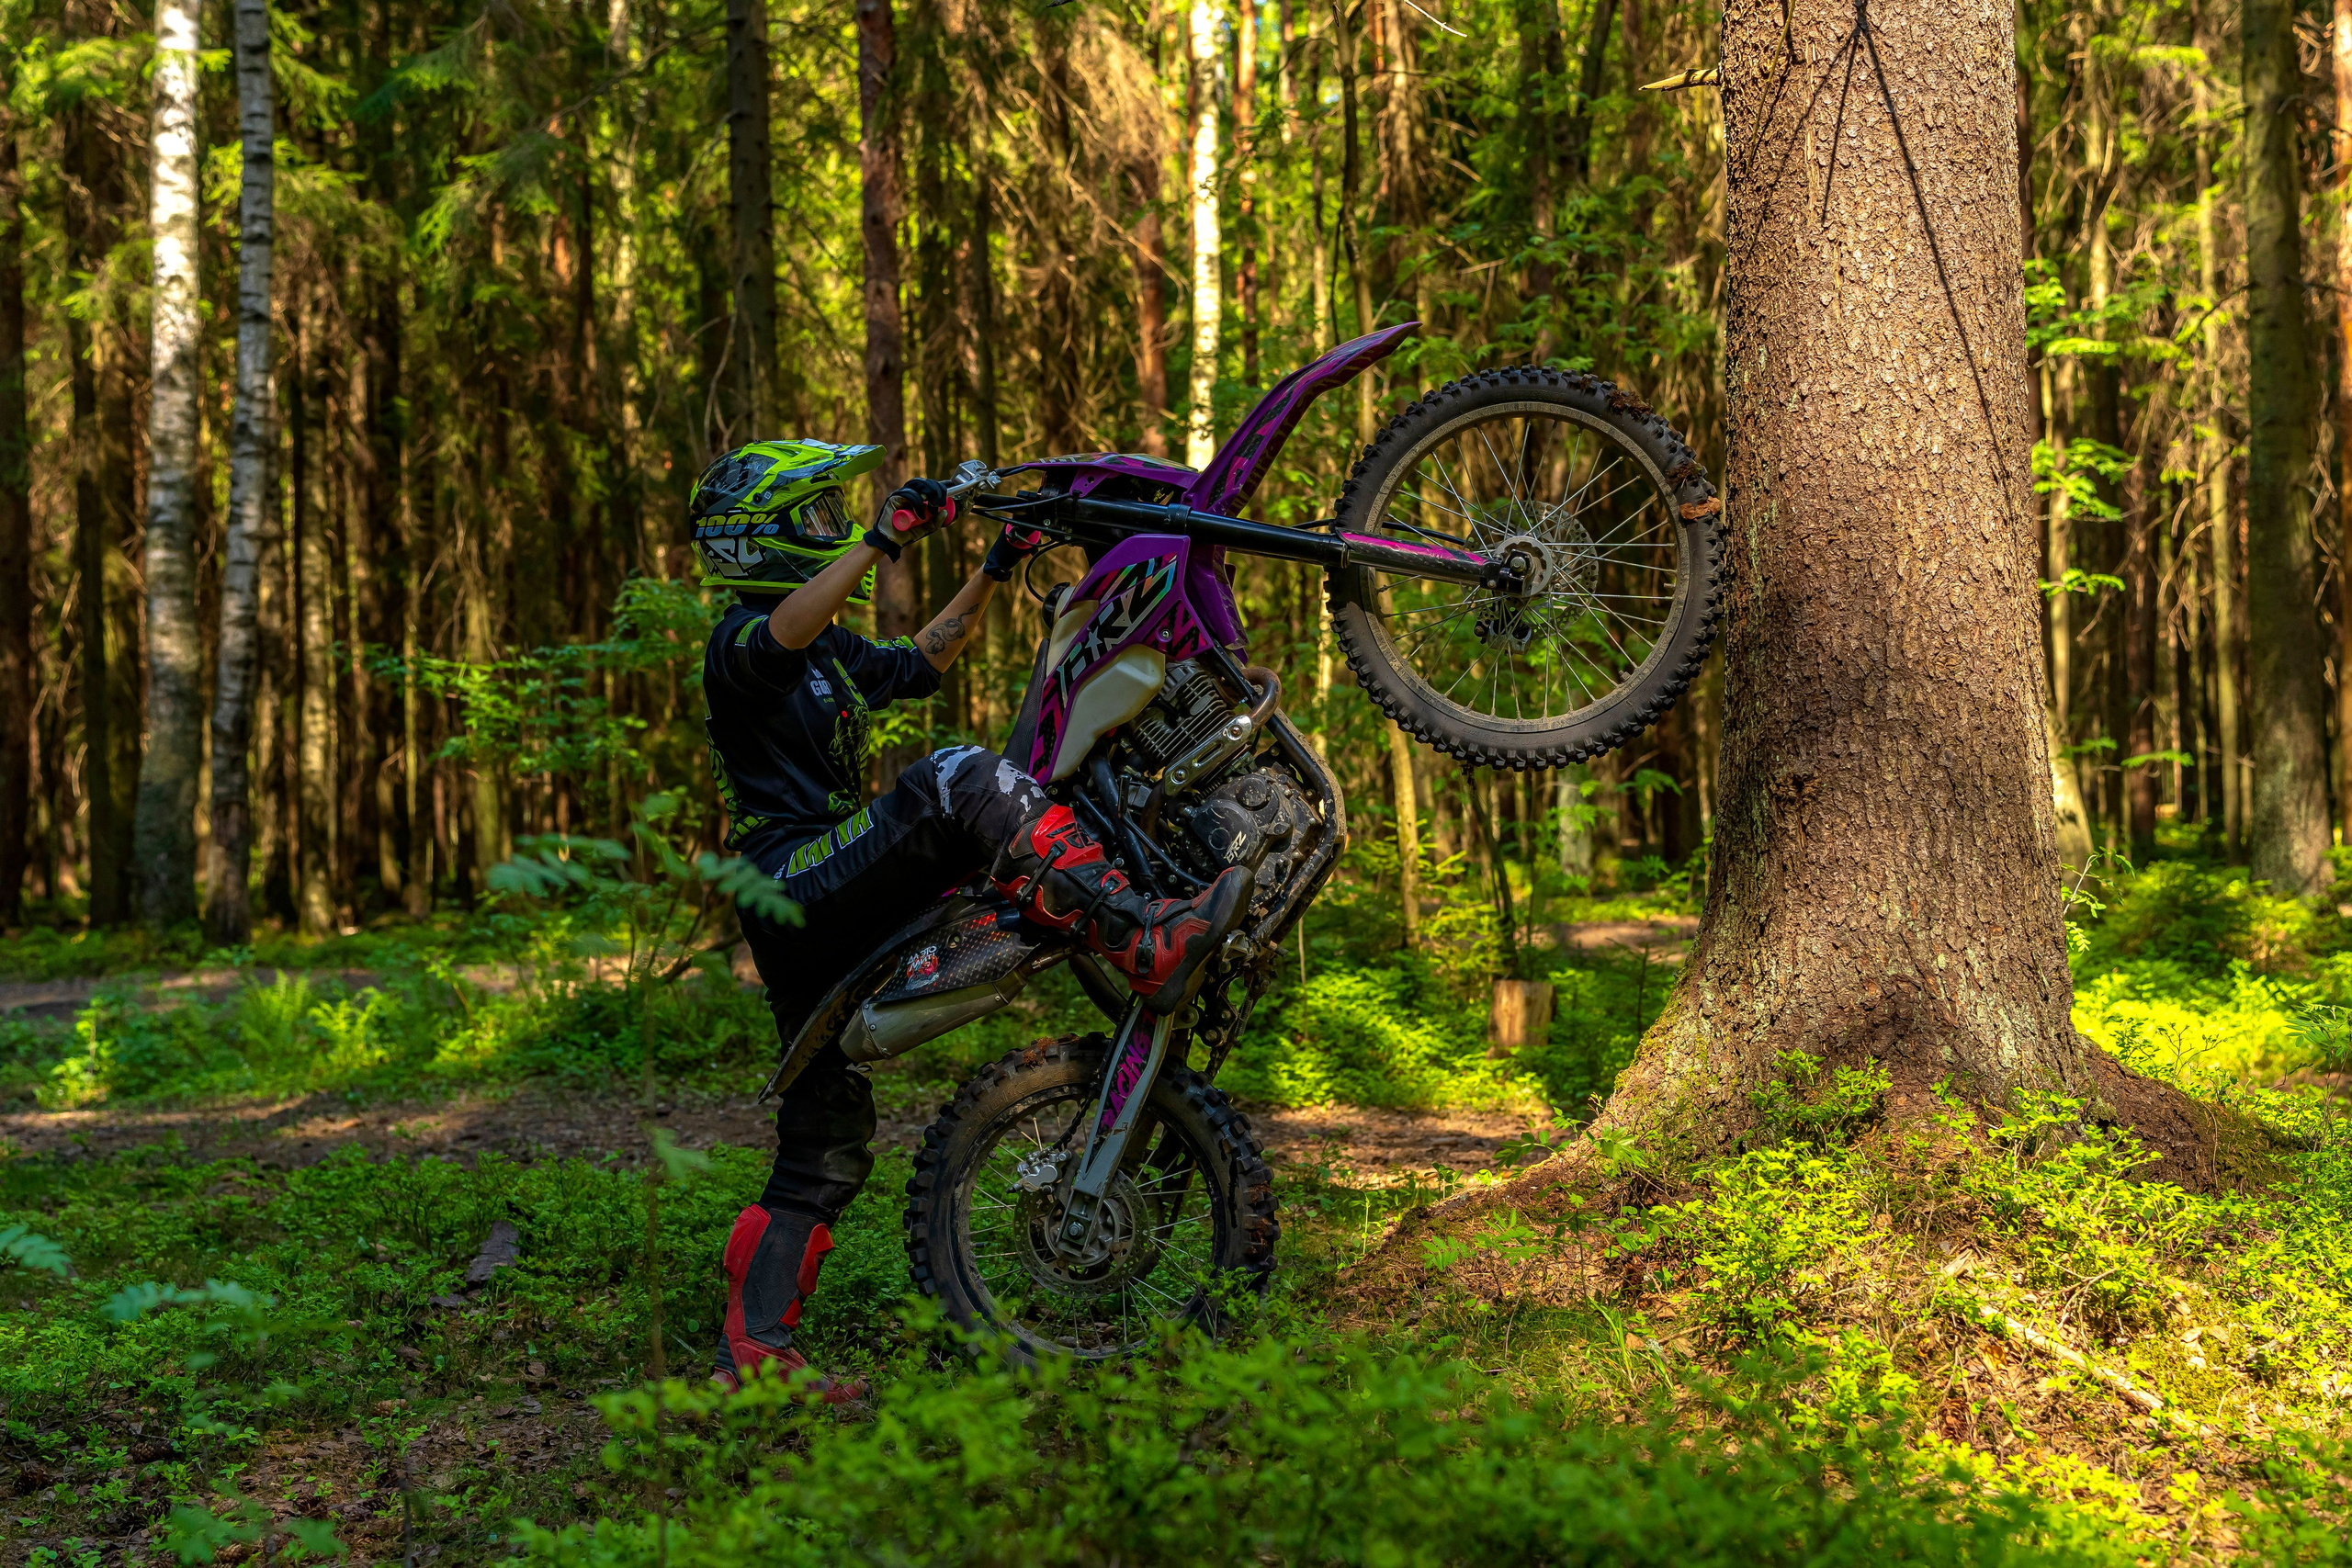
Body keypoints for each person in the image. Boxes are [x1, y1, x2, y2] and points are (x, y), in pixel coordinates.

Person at [688, 439, 1251, 1401]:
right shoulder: (744, 640)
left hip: (819, 892)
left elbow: (918, 664)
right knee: (957, 776)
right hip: (789, 881)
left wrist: (994, 567)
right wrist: (875, 541)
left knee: (825, 1132)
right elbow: (787, 627)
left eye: (832, 520)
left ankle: (759, 1351)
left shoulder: (822, 647)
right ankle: (1140, 932)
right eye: (812, 521)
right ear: (759, 539)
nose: (827, 535)